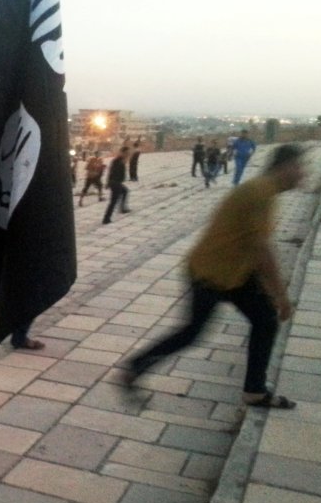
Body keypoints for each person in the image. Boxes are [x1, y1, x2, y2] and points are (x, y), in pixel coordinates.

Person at [125, 143, 306, 409]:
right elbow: (262, 249)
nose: (303, 174)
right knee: (192, 333)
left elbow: (254, 245)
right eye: (300, 167)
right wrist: (281, 296)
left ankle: (255, 390)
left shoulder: (264, 191)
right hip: (211, 273)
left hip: (233, 273)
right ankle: (135, 366)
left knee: (265, 321)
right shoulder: (260, 192)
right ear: (285, 167)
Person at [101, 146, 130, 224]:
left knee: (125, 191)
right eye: (126, 153)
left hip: (116, 183)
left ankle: (123, 208)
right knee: (113, 202)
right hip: (115, 183)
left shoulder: (120, 160)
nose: (128, 154)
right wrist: (108, 182)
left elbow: (112, 171)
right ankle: (106, 219)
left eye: (128, 153)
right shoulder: (118, 161)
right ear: (122, 153)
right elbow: (111, 172)